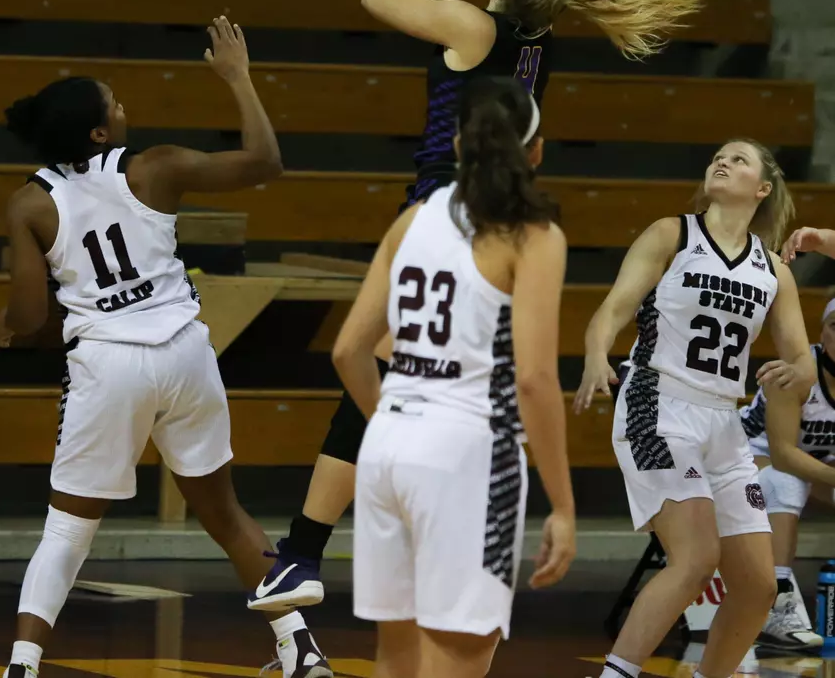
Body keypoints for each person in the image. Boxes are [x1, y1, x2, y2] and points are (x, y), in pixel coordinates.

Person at [250, 0, 709, 612]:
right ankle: (385, 525)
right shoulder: (537, 30)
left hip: (432, 210)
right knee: (450, 371)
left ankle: (309, 547)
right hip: (499, 221)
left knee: (376, 365)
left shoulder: (470, 23)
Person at [0, 19, 331, 678]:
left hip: (109, 363)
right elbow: (265, 161)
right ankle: (301, 649)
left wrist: (6, 322)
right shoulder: (157, 168)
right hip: (183, 352)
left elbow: (33, 315)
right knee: (225, 511)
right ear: (99, 133)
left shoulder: (29, 204)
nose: (124, 109)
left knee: (68, 528)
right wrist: (238, 79)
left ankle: (23, 665)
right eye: (113, 104)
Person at [333, 77, 575, 678]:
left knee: (397, 655)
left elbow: (347, 351)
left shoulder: (412, 219)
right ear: (536, 150)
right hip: (469, 452)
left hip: (387, 446)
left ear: (459, 143)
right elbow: (536, 380)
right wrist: (565, 505)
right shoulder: (533, 235)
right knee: (460, 655)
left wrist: (396, 426)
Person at [574, 138, 815, 678]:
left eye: (739, 159)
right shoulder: (671, 233)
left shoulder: (774, 272)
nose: (722, 162)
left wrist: (797, 372)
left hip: (724, 421)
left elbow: (802, 357)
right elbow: (613, 309)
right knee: (697, 556)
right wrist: (595, 355)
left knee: (757, 585)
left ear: (762, 189)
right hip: (658, 402)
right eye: (718, 157)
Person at [737, 297, 835, 653]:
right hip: (740, 459)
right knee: (786, 482)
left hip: (808, 466)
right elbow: (782, 455)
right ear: (822, 332)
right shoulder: (795, 372)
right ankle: (775, 606)